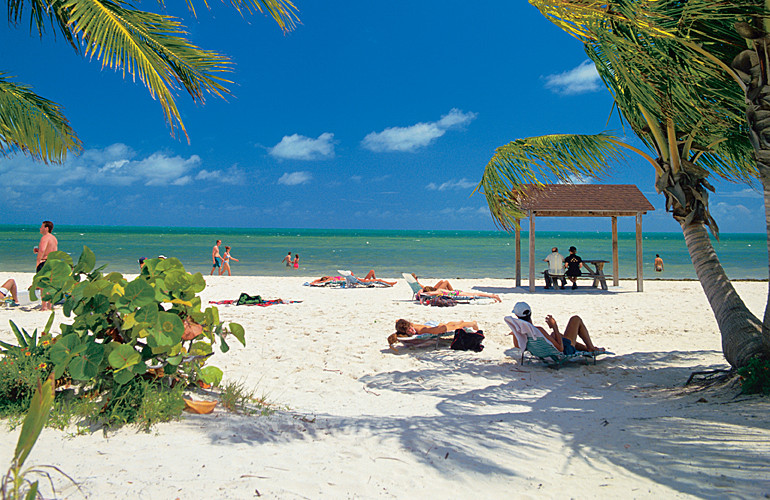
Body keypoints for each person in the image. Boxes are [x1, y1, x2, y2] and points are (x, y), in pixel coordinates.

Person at [509, 301, 603, 353]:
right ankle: (591, 347)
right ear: (530, 313)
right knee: (575, 319)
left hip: (544, 352)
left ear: (517, 316)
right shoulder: (538, 330)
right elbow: (560, 349)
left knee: (554, 335)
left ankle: (587, 348)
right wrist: (555, 326)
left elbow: (518, 346)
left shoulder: (521, 332)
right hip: (565, 351)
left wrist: (515, 332)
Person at [35, 221, 58, 311]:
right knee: (50, 284)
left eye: (41, 227)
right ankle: (50, 305)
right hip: (52, 262)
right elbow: (51, 251)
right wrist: (38, 250)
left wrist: (38, 261)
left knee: (42, 285)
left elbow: (43, 250)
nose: (40, 228)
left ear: (46, 228)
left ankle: (44, 306)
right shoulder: (54, 238)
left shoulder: (45, 237)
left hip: (44, 262)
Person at [395, 319, 479, 336]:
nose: (411, 331)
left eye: (410, 328)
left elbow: (431, 330)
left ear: (410, 325)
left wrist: (441, 328)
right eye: (408, 332)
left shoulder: (420, 330)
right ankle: (460, 321)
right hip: (435, 326)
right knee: (451, 324)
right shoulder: (411, 325)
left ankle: (473, 323)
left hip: (437, 327)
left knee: (458, 326)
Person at [418, 288, 502, 302]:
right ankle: (492, 295)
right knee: (474, 294)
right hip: (456, 292)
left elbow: (431, 293)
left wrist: (423, 294)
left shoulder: (438, 291)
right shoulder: (439, 290)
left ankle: (492, 296)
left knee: (474, 294)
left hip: (456, 294)